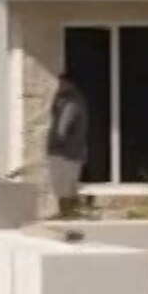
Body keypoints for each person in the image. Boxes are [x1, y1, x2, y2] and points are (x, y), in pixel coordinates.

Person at [42, 74, 93, 216]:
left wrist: (54, 144)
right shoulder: (68, 101)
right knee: (64, 189)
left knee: (63, 189)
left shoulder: (72, 103)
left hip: (66, 153)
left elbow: (62, 129)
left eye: (62, 83)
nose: (59, 86)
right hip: (69, 152)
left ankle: (68, 214)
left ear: (70, 84)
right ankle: (68, 214)